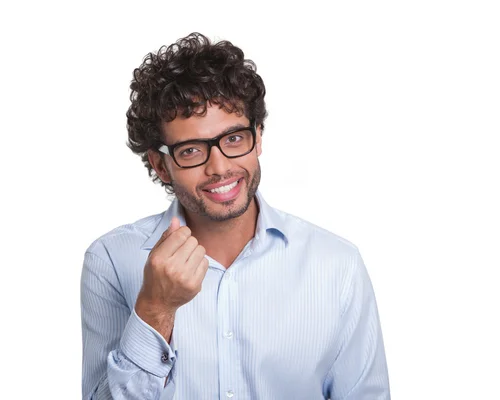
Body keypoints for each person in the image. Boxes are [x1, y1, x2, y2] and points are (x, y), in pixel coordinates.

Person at [80, 32, 390, 400]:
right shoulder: (112, 261)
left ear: (257, 136)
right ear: (161, 165)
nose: (219, 167)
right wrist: (155, 309)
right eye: (192, 150)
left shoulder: (337, 265)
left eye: (233, 139)